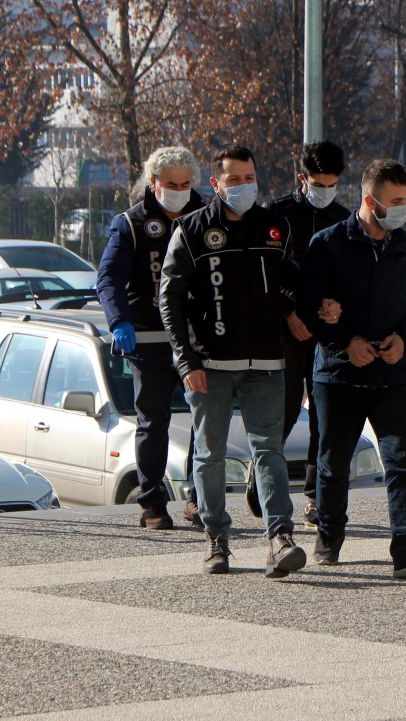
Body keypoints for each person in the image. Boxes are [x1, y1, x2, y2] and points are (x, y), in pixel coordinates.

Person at [159, 144, 306, 578]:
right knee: (210, 455)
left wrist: (298, 309)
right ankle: (215, 540)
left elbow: (287, 283)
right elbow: (170, 299)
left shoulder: (274, 227)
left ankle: (280, 538)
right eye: (234, 179)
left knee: (270, 451)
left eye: (249, 177)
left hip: (266, 361)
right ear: (216, 184)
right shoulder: (191, 229)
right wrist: (187, 361)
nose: (244, 186)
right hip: (210, 365)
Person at [296, 158, 406, 579]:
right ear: (369, 200)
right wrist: (345, 342)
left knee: (401, 463)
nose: (401, 208)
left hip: (393, 376)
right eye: (395, 200)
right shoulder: (328, 244)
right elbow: (310, 305)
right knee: (333, 463)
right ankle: (329, 538)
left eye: (405, 200)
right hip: (339, 375)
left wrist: (405, 339)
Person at [97, 146, 204, 530]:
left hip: (196, 339)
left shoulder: (205, 218)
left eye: (186, 184)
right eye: (171, 184)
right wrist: (118, 321)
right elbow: (108, 277)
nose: (179, 191)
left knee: (205, 420)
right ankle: (153, 502)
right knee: (153, 423)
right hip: (150, 338)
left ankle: (199, 499)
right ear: (154, 183)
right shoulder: (131, 224)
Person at [262, 140, 350, 526]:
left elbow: (348, 276)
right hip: (283, 331)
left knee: (323, 417)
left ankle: (314, 497)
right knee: (279, 416)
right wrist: (289, 312)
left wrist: (338, 305)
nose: (324, 191)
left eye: (331, 183)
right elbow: (265, 272)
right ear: (302, 178)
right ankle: (264, 482)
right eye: (318, 183)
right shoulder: (276, 215)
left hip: (325, 335)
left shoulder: (345, 220)